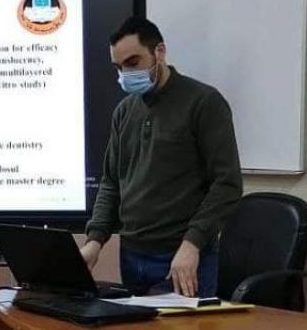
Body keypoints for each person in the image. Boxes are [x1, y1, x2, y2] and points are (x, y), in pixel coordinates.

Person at [80, 16, 241, 298]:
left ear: (160, 52)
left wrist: (192, 244)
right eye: (119, 67)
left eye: (133, 62)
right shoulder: (124, 111)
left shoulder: (203, 102)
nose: (126, 73)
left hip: (182, 258)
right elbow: (111, 183)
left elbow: (226, 184)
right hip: (132, 255)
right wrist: (94, 241)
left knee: (185, 329)